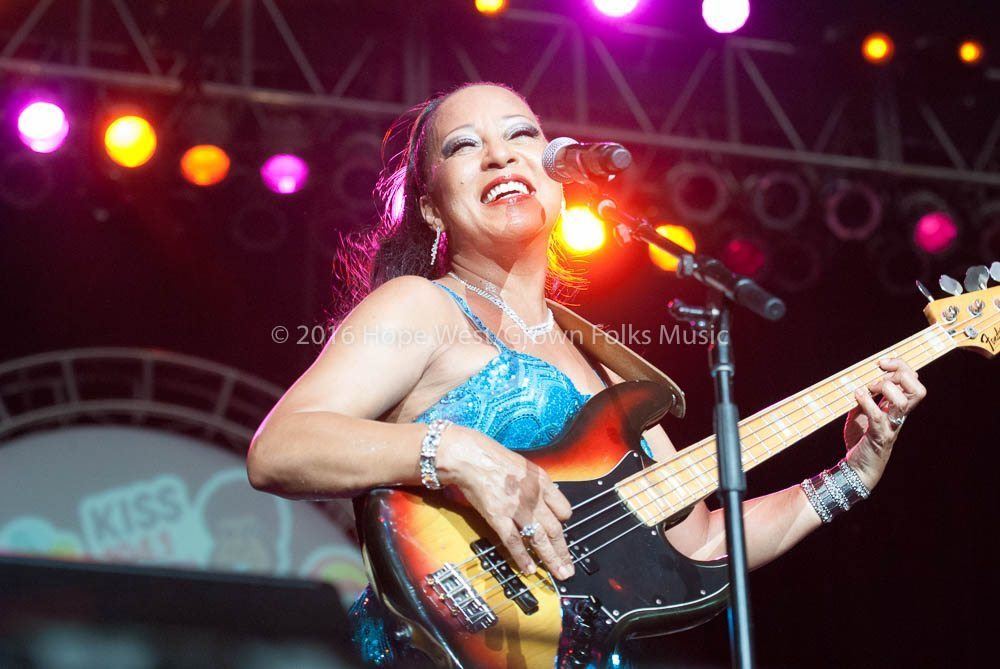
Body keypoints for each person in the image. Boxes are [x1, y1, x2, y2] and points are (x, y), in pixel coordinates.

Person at [246, 81, 927, 667]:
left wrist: (850, 475)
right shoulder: (421, 306)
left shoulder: (604, 365)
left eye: (522, 135)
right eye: (463, 145)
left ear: (558, 180)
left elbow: (699, 539)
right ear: (431, 208)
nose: (500, 154)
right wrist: (454, 451)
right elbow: (280, 448)